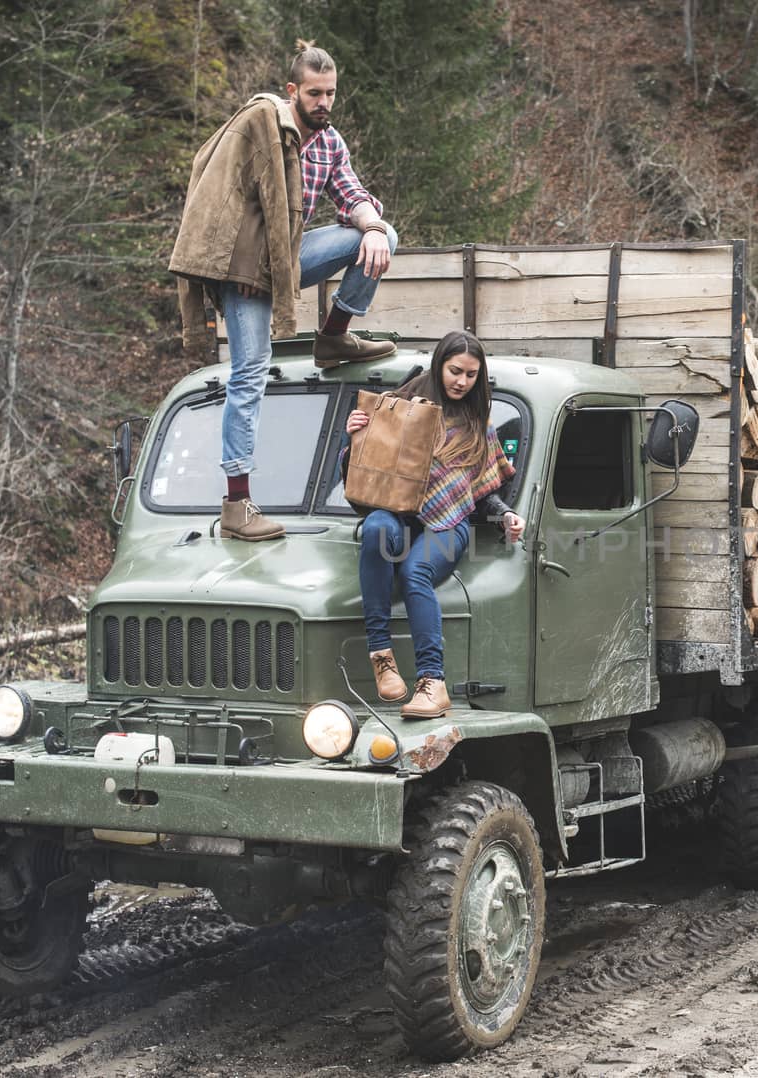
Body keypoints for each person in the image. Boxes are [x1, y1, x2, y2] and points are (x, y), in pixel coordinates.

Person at [170, 40, 398, 542]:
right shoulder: (263, 123)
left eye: (330, 94)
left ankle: (333, 336)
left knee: (380, 233)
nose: (323, 102)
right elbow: (215, 191)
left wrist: (375, 228)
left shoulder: (330, 142)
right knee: (249, 374)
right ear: (293, 89)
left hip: (288, 259)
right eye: (314, 93)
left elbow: (353, 196)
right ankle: (236, 504)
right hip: (248, 269)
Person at [345, 331, 524, 718]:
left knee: (415, 571)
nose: (462, 381)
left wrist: (504, 515)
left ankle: (432, 683)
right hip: (396, 513)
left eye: (471, 375)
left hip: (449, 524)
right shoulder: (399, 411)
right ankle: (382, 656)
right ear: (439, 365)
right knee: (376, 531)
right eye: (455, 371)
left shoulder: (477, 424)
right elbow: (362, 472)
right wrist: (357, 435)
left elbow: (478, 493)